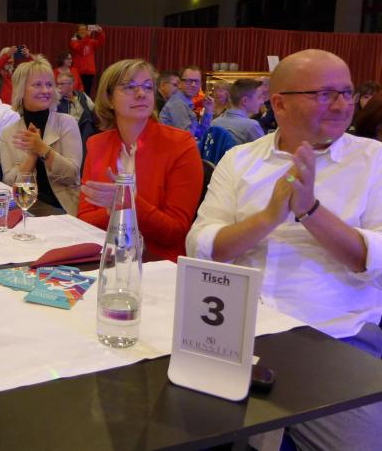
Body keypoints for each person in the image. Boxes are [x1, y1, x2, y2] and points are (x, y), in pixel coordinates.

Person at [186, 49, 382, 451]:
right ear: (279, 104)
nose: (343, 105)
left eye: (347, 92)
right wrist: (269, 217)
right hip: (233, 332)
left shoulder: (373, 160)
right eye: (324, 94)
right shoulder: (240, 160)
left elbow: (375, 259)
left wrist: (309, 210)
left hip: (334, 337)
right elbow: (203, 248)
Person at [79, 59, 203, 262]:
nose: (141, 93)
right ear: (109, 99)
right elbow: (84, 220)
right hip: (105, 257)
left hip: (157, 262)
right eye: (129, 87)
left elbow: (175, 231)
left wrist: (127, 204)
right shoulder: (97, 145)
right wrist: (117, 206)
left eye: (147, 86)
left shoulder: (181, 145)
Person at [0, 57, 83, 215]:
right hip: (24, 207)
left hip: (62, 209)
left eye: (49, 85)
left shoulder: (66, 123)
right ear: (21, 90)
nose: (45, 91)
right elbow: (10, 184)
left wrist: (42, 149)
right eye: (37, 85)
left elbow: (72, 176)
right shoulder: (8, 133)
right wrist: (32, 155)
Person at [158, 65, 213, 140]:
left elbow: (200, 133)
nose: (193, 85)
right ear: (180, 83)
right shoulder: (177, 104)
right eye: (189, 81)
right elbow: (187, 139)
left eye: (197, 81)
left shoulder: (185, 103)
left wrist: (208, 111)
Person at [55, 72, 96, 161]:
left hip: (85, 127)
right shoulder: (57, 101)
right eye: (57, 84)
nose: (59, 86)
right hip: (69, 130)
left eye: (62, 84)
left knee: (87, 121)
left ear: (71, 85)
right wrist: (57, 97)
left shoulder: (82, 95)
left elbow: (94, 109)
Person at [211, 78, 265, 145]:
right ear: (245, 101)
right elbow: (264, 150)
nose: (262, 102)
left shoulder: (214, 123)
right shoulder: (252, 126)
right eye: (259, 97)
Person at [69, 24, 105, 95]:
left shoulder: (91, 41)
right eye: (81, 30)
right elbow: (79, 48)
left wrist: (101, 32)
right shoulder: (73, 41)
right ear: (77, 32)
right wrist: (87, 36)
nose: (83, 31)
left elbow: (101, 42)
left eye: (85, 29)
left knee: (87, 93)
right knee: (77, 92)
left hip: (89, 71)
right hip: (79, 71)